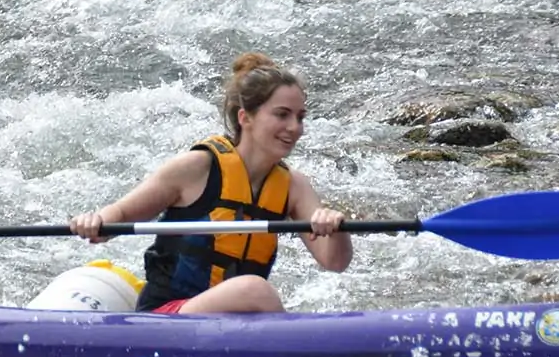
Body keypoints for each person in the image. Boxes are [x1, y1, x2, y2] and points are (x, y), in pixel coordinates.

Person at [69, 53, 349, 314]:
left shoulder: (293, 186)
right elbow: (119, 216)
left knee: (252, 291)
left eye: (300, 117)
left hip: (231, 318)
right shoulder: (196, 167)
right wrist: (95, 222)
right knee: (253, 289)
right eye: (282, 114)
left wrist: (335, 229)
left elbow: (335, 262)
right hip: (166, 316)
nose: (295, 128)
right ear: (245, 117)